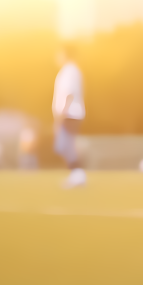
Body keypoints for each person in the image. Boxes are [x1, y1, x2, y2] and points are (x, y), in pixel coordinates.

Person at [52, 45, 86, 187]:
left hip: (69, 113)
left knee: (65, 145)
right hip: (70, 113)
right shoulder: (71, 70)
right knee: (64, 145)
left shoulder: (69, 70)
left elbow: (69, 93)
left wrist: (62, 113)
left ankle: (78, 174)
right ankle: (76, 174)